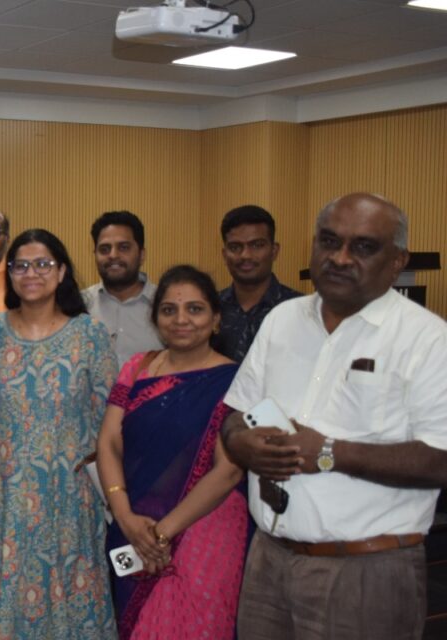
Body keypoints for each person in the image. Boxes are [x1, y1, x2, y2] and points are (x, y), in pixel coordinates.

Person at [222, 193, 447, 640]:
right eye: (329, 241)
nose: (340, 258)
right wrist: (240, 443)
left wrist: (328, 453)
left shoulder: (428, 340)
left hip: (365, 572)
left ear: (397, 259)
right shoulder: (283, 320)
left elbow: (440, 460)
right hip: (269, 558)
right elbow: (235, 414)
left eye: (363, 247)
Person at [0, 229, 118, 638]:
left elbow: (109, 422)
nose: (31, 273)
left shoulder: (89, 335)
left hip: (70, 498)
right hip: (4, 495)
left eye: (43, 264)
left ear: (61, 272)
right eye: (21, 265)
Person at [99, 265, 246, 639]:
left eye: (195, 309)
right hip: (134, 523)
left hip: (205, 529)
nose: (182, 319)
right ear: (156, 318)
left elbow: (228, 470)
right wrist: (126, 517)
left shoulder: (237, 381)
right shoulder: (136, 368)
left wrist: (162, 534)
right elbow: (109, 443)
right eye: (169, 310)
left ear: (215, 318)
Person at [217, 205, 301, 362]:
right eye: (235, 247)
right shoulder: (208, 309)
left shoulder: (300, 310)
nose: (245, 255)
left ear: (274, 251)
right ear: (224, 255)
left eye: (257, 245)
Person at [82, 210, 163, 369]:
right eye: (104, 249)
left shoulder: (166, 304)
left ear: (141, 254)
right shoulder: (79, 305)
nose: (113, 255)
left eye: (124, 247)